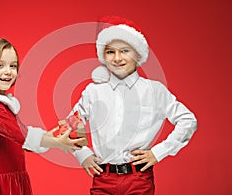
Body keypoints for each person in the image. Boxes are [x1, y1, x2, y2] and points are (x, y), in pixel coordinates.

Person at [69, 16, 198, 194]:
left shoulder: (154, 90)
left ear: (138, 54)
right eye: (110, 52)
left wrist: (158, 152)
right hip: (103, 178)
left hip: (139, 178)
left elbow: (187, 120)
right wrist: (82, 154)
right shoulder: (93, 91)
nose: (117, 58)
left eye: (125, 51)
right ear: (103, 56)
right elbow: (71, 124)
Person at [0, 38, 84, 195]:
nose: (8, 71)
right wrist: (57, 143)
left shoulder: (2, 105)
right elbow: (21, 135)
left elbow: (21, 136)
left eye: (13, 65)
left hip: (16, 180)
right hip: (1, 186)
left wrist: (55, 135)